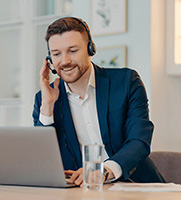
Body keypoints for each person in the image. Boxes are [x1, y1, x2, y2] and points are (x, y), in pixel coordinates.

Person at [32, 17, 165, 186]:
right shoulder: (44, 99)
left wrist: (104, 171)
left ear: (90, 49)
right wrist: (48, 108)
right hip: (78, 193)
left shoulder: (127, 82)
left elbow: (139, 141)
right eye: (56, 54)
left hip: (136, 186)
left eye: (72, 51)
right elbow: (44, 160)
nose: (64, 61)